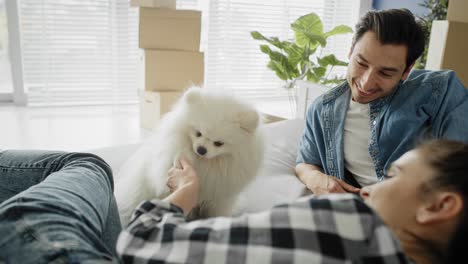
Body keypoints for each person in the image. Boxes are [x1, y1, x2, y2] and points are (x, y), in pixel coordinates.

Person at [116, 139, 468, 263]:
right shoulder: (327, 106)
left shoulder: (354, 225)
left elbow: (140, 241)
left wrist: (186, 191)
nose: (367, 190)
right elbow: (305, 158)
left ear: (439, 206)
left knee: (85, 166)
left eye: (392, 176)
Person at [295, 8, 468, 195]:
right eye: (361, 63)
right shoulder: (323, 108)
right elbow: (305, 162)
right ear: (351, 50)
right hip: (361, 208)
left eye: (385, 73)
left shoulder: (440, 90)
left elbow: (458, 168)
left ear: (407, 71)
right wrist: (316, 179)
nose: (366, 82)